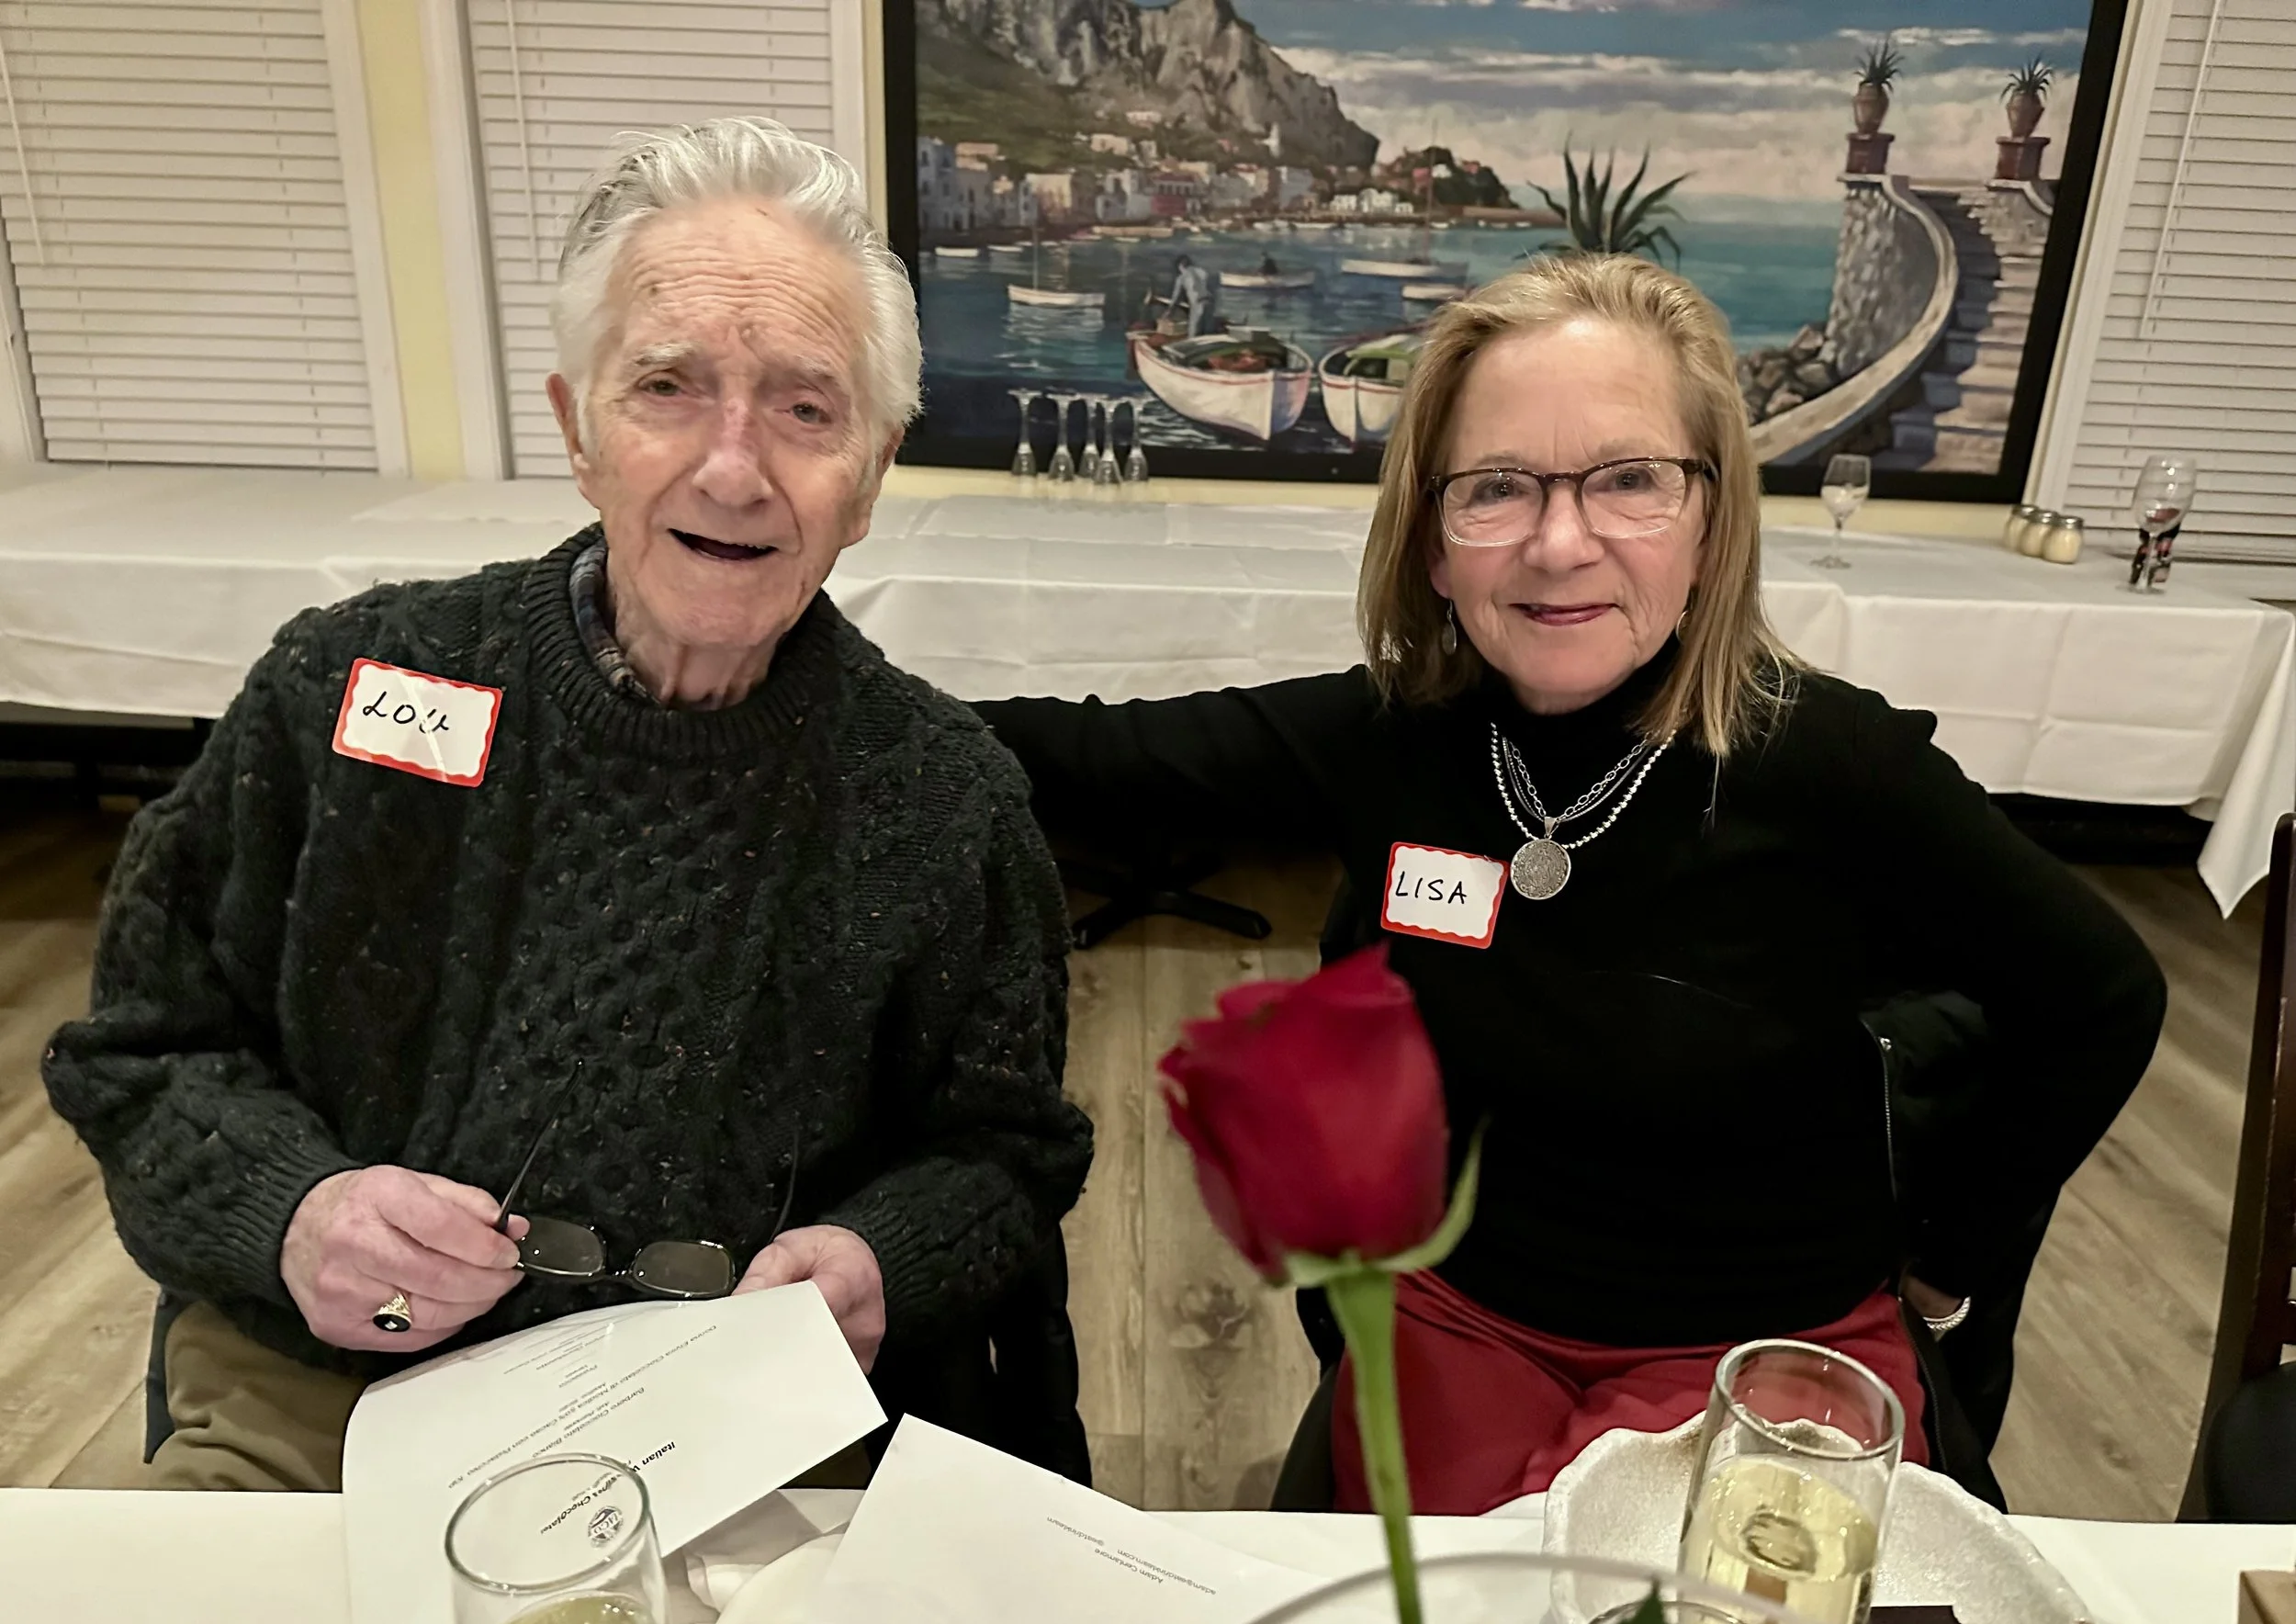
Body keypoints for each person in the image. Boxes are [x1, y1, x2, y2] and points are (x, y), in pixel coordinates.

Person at [976, 254, 2166, 1515]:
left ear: (1710, 523)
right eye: (1495, 489)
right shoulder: (1398, 737)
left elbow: (2102, 993)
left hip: (1763, 1348)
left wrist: (1949, 1263)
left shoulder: (1831, 765)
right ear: (1433, 542)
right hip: (1470, 1320)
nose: (1558, 541)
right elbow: (1087, 753)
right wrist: (785, 673)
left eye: (1631, 479)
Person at [43, 118, 1094, 1492]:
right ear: (576, 427)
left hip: (739, 1418)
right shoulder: (347, 688)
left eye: (805, 407)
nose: (733, 466)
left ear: (873, 474)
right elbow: (140, 1049)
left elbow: (1007, 1156)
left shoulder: (943, 800)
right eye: (667, 385)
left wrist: (883, 1257)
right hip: (334, 1389)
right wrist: (291, 1208)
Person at [1170, 253, 1216, 336]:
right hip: (1210, 303)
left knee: (1193, 333)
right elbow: (1211, 287)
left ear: (1180, 265)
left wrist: (1169, 311)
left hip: (1198, 304)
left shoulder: (1182, 277)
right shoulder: (1202, 271)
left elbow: (1176, 298)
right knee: (1208, 333)